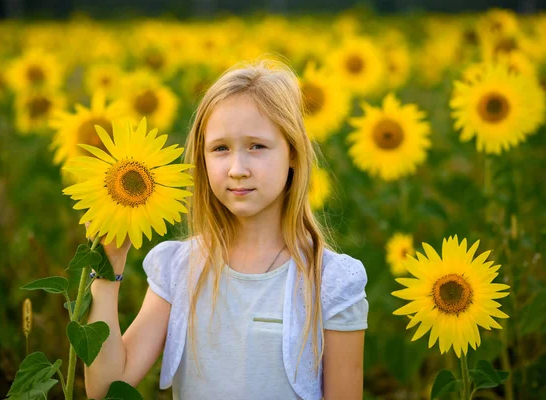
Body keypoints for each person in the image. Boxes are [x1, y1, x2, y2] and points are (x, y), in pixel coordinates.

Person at [84, 58, 369, 400]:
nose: (237, 169)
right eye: (220, 148)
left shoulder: (329, 282)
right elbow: (105, 388)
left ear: (293, 152)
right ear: (202, 158)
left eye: (256, 146)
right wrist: (107, 266)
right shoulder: (179, 268)